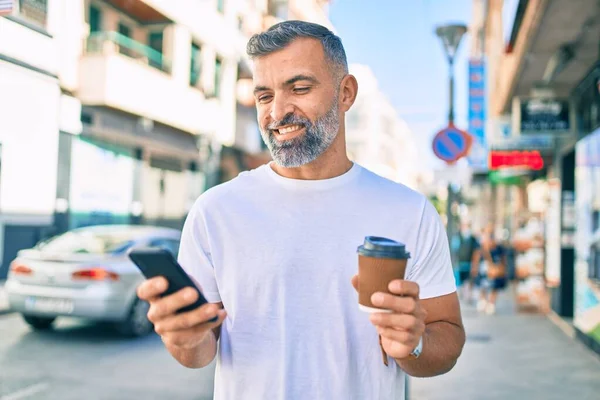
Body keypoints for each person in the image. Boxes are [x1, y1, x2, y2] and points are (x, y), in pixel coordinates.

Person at [137, 21, 465, 400]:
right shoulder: (216, 211)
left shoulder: (409, 211)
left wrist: (415, 343)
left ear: (346, 93)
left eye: (299, 88)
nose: (277, 112)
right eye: (264, 96)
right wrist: (184, 339)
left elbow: (448, 339)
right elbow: (200, 351)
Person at [475, 226, 507, 315]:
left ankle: (491, 303)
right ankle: (484, 301)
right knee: (484, 285)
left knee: (494, 286)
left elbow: (503, 258)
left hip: (495, 269)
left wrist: (502, 268)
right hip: (485, 269)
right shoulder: (482, 245)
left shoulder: (498, 246)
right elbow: (477, 255)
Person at [455, 222, 479, 303]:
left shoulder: (473, 239)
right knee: (460, 281)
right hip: (459, 265)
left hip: (469, 264)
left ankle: (468, 296)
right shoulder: (458, 237)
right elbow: (455, 250)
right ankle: (462, 295)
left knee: (468, 281)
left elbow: (476, 252)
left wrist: (475, 265)